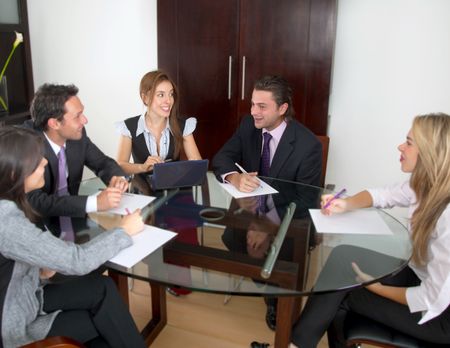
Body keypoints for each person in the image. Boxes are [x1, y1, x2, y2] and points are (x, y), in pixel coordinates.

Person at [251, 113, 450, 347]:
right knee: (343, 257)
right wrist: (345, 204)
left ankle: (294, 344)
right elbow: (382, 195)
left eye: (408, 142)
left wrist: (378, 288)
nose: (400, 146)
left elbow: (429, 298)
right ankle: (297, 343)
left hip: (440, 316)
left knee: (340, 292)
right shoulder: (425, 184)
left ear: (429, 153)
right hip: (419, 276)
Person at [0, 126, 146, 348]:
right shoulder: (7, 221)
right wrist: (123, 231)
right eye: (36, 160)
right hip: (13, 325)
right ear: (14, 172)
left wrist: (39, 270)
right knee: (107, 324)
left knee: (103, 288)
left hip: (28, 296)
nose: (44, 163)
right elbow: (76, 261)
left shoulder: (14, 201)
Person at [24, 83, 129, 218]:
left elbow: (102, 162)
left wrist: (117, 178)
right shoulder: (24, 144)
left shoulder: (76, 134)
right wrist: (95, 203)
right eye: (77, 116)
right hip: (37, 224)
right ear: (54, 123)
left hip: (73, 218)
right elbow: (34, 201)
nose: (85, 120)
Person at [212, 75, 322, 192]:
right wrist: (235, 178)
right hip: (248, 205)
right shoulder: (248, 124)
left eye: (262, 106)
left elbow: (306, 198)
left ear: (282, 109)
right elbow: (222, 158)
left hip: (283, 209)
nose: (253, 112)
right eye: (253, 104)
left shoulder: (309, 146)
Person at [116, 70, 201, 175]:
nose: (169, 101)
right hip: (142, 189)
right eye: (161, 95)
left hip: (175, 189)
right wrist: (143, 167)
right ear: (145, 98)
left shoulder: (183, 125)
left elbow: (197, 164)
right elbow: (120, 165)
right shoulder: (129, 127)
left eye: (171, 94)